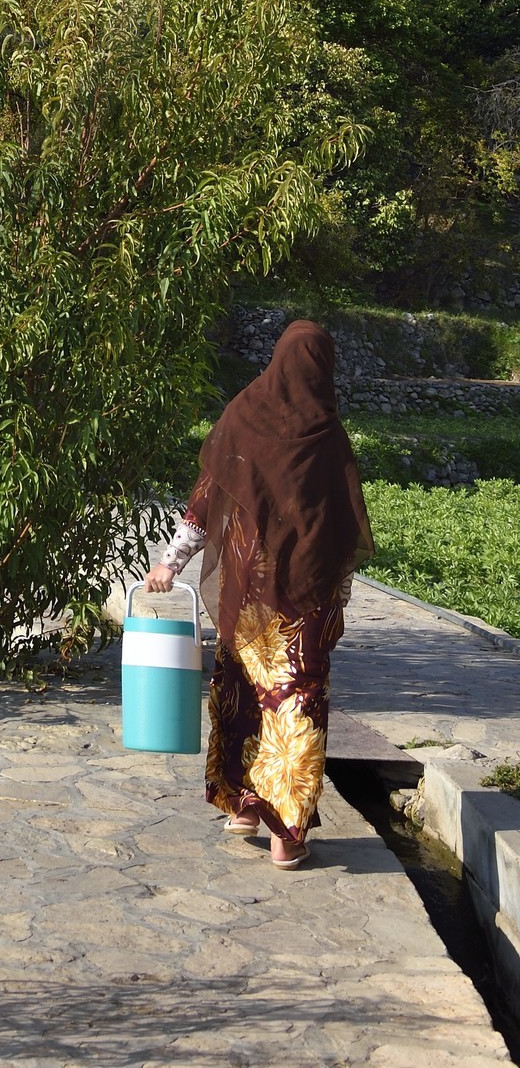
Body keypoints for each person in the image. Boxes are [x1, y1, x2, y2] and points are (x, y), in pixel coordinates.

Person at [144, 320, 373, 869]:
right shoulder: (329, 436)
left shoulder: (243, 417)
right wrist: (336, 590)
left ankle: (246, 805)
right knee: (296, 704)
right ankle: (284, 833)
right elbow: (342, 528)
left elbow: (204, 501)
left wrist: (169, 563)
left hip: (246, 601)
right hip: (303, 605)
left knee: (247, 694)